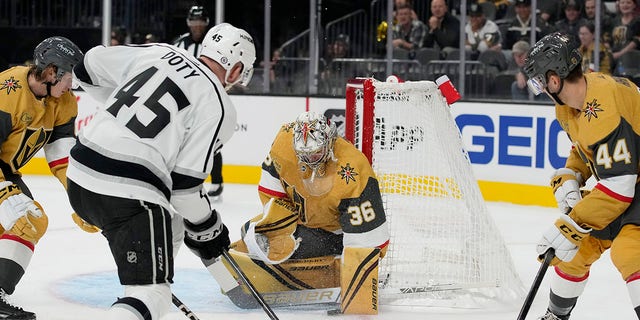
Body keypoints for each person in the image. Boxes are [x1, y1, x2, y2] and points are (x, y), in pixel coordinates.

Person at [68, 23, 256, 319]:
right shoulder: (220, 106)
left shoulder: (161, 51)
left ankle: (153, 269)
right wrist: (210, 229)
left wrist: (122, 112)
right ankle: (148, 287)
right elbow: (184, 190)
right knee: (152, 295)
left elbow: (85, 67)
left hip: (79, 174)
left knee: (173, 225)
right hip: (128, 192)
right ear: (235, 70)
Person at [524, 32, 640, 319]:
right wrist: (572, 174)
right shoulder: (572, 104)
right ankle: (555, 316)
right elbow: (589, 149)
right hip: (628, 179)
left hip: (629, 184)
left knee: (629, 251)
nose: (540, 87)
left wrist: (571, 222)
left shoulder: (606, 107)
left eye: (539, 80)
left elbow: (619, 188)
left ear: (554, 79)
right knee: (574, 251)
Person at [226, 111, 389, 314]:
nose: (309, 159)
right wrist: (279, 227)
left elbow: (368, 238)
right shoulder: (285, 143)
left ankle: (327, 271)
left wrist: (358, 287)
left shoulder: (352, 170)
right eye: (303, 154)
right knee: (251, 234)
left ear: (329, 142)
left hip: (336, 236)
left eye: (315, 153)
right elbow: (272, 193)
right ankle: (265, 270)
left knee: (280, 247)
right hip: (303, 222)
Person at [0, 36, 83, 319]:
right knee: (25, 218)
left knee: (27, 221)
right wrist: (3, 192)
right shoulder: (7, 88)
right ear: (50, 72)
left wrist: (82, 198)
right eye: (68, 78)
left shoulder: (63, 102)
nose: (71, 86)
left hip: (6, 172)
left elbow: (62, 157)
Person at [172, 5, 224, 201]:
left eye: (201, 22)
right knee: (180, 141)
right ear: (188, 23)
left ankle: (217, 181)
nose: (197, 26)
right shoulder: (180, 44)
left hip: (207, 100)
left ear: (207, 23)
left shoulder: (215, 45)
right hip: (183, 102)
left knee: (212, 143)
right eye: (194, 22)